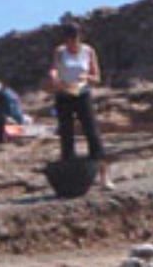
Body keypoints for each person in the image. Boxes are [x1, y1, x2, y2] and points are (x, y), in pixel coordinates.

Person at [49, 23, 113, 190]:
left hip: (82, 93)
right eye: (68, 40)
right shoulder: (60, 52)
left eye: (74, 40)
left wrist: (87, 77)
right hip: (64, 94)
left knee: (92, 133)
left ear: (79, 38)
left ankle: (104, 176)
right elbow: (55, 69)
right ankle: (71, 178)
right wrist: (54, 77)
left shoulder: (88, 51)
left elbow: (97, 77)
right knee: (66, 134)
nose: (71, 43)